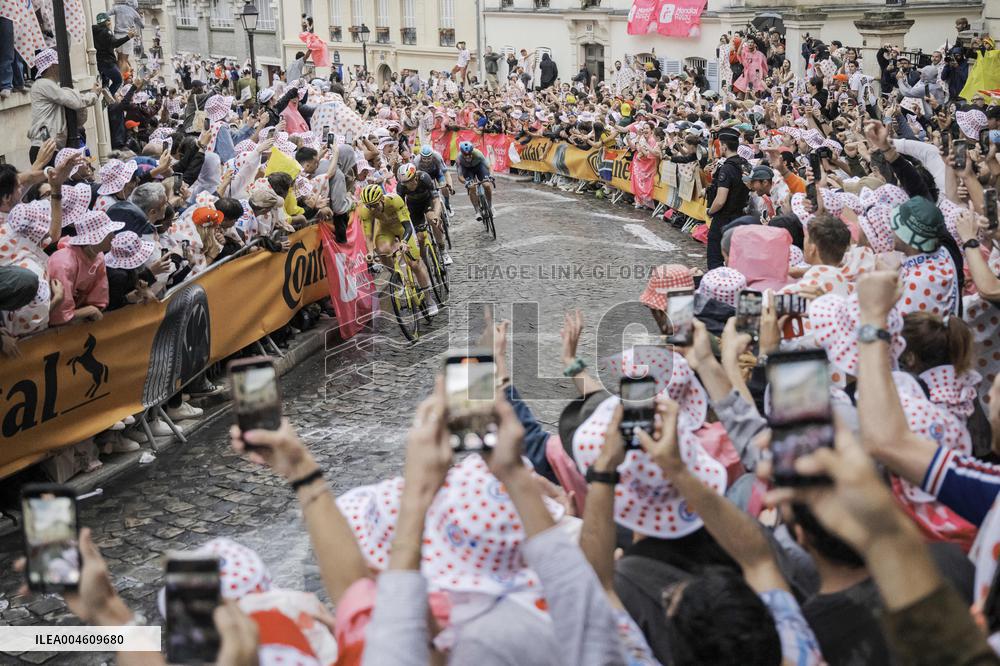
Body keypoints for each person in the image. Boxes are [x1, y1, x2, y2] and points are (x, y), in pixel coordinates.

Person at [357, 185, 439, 316]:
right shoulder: (365, 210)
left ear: (381, 200)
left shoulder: (395, 200)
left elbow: (407, 226)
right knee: (382, 250)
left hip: (402, 228)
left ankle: (429, 300)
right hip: (385, 230)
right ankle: (398, 280)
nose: (372, 209)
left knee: (414, 264)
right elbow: (368, 236)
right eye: (368, 206)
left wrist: (404, 242)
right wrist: (371, 252)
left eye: (374, 205)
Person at [28, 50, 100, 163]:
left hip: (50, 147)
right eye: (59, 64)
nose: (62, 68)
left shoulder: (51, 86)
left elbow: (77, 112)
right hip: (45, 148)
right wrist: (93, 95)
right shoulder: (43, 84)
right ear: (52, 67)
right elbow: (74, 101)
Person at [706, 128, 751, 270]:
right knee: (735, 260)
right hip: (740, 217)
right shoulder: (745, 164)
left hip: (723, 218)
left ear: (724, 147)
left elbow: (720, 200)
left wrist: (710, 211)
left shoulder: (727, 168)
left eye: (720, 146)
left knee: (715, 260)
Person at [396, 163, 450, 266]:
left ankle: (443, 250)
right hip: (414, 207)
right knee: (420, 237)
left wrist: (437, 216)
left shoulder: (424, 178)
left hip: (427, 201)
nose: (407, 185)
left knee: (433, 220)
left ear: (415, 177)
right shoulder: (401, 187)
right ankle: (426, 261)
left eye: (409, 182)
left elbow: (436, 199)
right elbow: (401, 207)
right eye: (405, 183)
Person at [93, 12, 135, 94]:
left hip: (99, 62)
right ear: (107, 22)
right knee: (118, 80)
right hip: (108, 63)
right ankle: (109, 96)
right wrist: (128, 37)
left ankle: (105, 93)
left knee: (105, 84)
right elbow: (115, 43)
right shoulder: (106, 31)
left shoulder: (94, 31)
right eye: (109, 21)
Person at [455, 141, 493, 220]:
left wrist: (491, 176)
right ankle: (477, 211)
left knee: (487, 185)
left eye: (469, 154)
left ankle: (490, 206)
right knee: (472, 187)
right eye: (465, 155)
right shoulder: (458, 158)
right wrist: (466, 182)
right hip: (467, 170)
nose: (468, 156)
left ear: (472, 151)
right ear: (462, 153)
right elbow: (460, 176)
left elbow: (489, 166)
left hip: (479, 167)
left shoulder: (478, 153)